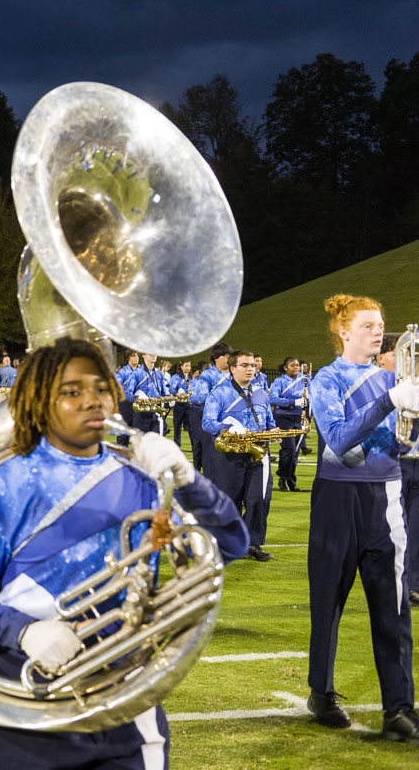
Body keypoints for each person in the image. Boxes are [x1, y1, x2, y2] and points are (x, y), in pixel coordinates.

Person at [0, 337, 248, 768]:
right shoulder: (3, 481)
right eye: (71, 391)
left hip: (123, 699)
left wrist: (190, 482)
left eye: (101, 389)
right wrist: (24, 631)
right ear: (40, 400)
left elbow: (231, 546)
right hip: (22, 707)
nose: (92, 401)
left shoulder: (143, 479)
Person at [305, 295, 419, 741]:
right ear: (344, 331)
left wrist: (411, 411)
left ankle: (399, 707)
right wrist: (390, 399)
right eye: (369, 325)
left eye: (381, 325)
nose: (379, 332)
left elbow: (404, 447)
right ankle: (321, 691)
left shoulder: (394, 378)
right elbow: (337, 439)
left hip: (384, 496)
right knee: (327, 600)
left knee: (392, 606)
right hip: (336, 496)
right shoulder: (327, 379)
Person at [202, 349, 277, 562]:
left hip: (258, 452)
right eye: (245, 365)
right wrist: (227, 426)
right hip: (230, 454)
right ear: (233, 368)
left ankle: (252, 543)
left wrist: (273, 430)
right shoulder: (220, 393)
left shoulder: (262, 392)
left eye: (252, 365)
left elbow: (269, 420)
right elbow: (207, 423)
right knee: (229, 500)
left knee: (258, 500)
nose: (250, 369)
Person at [378, 334, 419, 608]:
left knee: (416, 529)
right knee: (393, 529)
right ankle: (392, 582)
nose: (408, 362)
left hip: (416, 461)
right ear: (381, 358)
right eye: (401, 355)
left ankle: (413, 584)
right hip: (392, 463)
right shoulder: (376, 385)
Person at [188, 342, 231, 474]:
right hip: (210, 416)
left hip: (230, 416)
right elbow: (202, 397)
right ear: (217, 357)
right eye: (226, 355)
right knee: (208, 450)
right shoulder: (208, 374)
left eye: (230, 355)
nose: (229, 358)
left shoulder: (234, 372)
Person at [268, 357, 308, 493]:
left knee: (295, 451)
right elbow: (272, 398)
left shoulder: (304, 380)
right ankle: (283, 477)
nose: (296, 368)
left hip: (299, 417)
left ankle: (291, 481)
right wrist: (293, 402)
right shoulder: (279, 381)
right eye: (292, 365)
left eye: (297, 365)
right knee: (289, 448)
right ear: (285, 368)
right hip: (283, 417)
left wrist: (308, 398)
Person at [126, 352, 168, 436]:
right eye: (150, 353)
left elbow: (163, 393)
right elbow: (127, 393)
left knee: (156, 446)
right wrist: (137, 398)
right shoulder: (136, 373)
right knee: (141, 446)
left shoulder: (159, 373)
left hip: (156, 413)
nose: (153, 355)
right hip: (141, 414)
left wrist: (169, 398)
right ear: (143, 355)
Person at [169, 360, 193, 447]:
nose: (188, 368)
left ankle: (194, 445)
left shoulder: (192, 377)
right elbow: (172, 388)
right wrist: (178, 393)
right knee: (177, 426)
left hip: (189, 404)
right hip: (179, 404)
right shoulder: (176, 377)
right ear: (181, 367)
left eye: (189, 366)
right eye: (186, 365)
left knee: (191, 427)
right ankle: (176, 445)